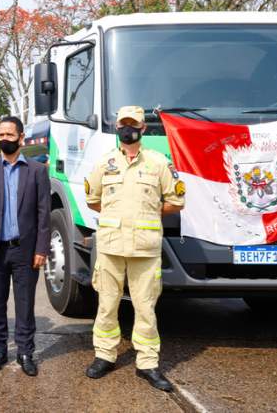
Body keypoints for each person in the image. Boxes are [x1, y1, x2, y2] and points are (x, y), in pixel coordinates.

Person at [84, 105, 185, 392]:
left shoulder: (158, 163)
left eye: (134, 124)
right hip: (111, 246)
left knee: (145, 308)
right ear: (117, 128)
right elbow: (93, 200)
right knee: (106, 305)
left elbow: (175, 201)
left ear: (143, 129)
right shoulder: (104, 163)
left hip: (145, 247)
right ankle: (105, 355)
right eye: (123, 124)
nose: (128, 128)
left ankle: (148, 363)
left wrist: (148, 215)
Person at [0, 116, 50, 376]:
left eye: (9, 135)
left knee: (25, 304)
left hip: (25, 250)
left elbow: (43, 214)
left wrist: (41, 248)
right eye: (1, 135)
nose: (4, 139)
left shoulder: (37, 171)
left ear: (21, 138)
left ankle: (25, 352)